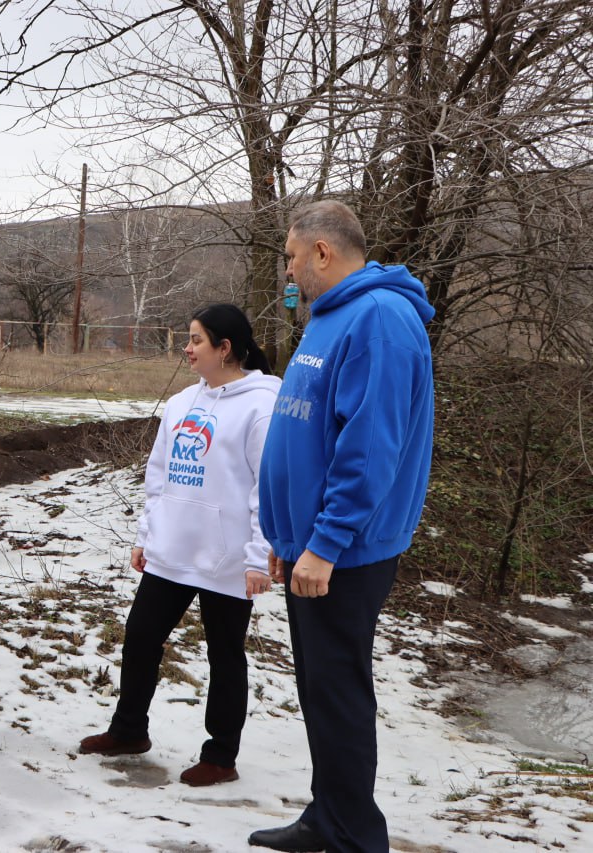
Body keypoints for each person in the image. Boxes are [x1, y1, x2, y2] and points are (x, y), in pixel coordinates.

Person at [249, 201, 434, 853]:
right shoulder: (330, 317)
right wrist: (288, 538)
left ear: (322, 252)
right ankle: (327, 817)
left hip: (346, 552)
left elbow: (370, 448)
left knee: (339, 693)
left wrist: (324, 544)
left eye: (292, 257)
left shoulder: (380, 319)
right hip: (313, 546)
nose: (288, 271)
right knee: (320, 691)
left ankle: (356, 837)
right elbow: (309, 429)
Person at [78, 304, 280, 787]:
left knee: (224, 655)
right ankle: (129, 731)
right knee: (140, 637)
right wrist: (146, 535)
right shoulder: (181, 403)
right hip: (172, 549)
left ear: (224, 348)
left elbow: (267, 488)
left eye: (195, 340)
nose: (187, 349)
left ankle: (221, 756)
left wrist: (258, 557)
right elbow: (159, 478)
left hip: (227, 558)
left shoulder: (262, 406)